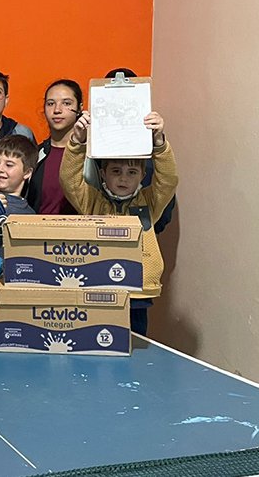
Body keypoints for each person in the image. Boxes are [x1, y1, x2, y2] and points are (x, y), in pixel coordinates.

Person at [60, 110, 178, 336]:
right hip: (98, 289)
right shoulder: (91, 202)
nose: (124, 178)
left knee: (134, 346)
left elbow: (169, 180)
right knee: (97, 342)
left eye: (132, 171)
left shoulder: (150, 203)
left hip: (136, 294)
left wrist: (159, 143)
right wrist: (77, 141)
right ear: (103, 173)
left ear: (143, 174)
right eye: (116, 171)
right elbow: (69, 180)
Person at [104, 67, 177, 234]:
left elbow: (166, 185)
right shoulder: (93, 144)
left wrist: (148, 229)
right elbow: (73, 185)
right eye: (113, 98)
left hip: (143, 235)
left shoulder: (150, 149)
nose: (119, 105)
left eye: (126, 99)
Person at [26, 79, 82, 215]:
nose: (57, 110)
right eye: (51, 104)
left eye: (66, 103)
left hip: (81, 232)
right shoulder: (35, 155)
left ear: (79, 108)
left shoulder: (89, 155)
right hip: (38, 232)